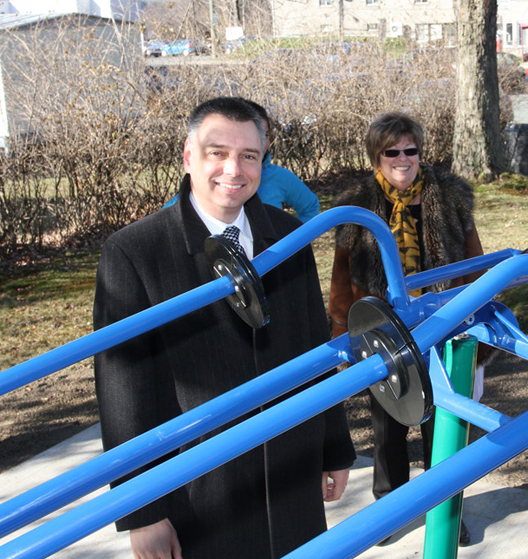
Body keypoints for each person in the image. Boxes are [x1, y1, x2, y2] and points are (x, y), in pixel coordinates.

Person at [93, 97, 355, 559]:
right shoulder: (136, 252)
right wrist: (142, 511)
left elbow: (316, 347)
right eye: (217, 152)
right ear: (188, 156)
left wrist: (333, 447)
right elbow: (124, 389)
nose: (233, 170)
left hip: (291, 468)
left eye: (249, 155)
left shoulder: (289, 236)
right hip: (201, 488)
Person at [328, 111, 485, 546]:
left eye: (409, 150)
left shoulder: (449, 197)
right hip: (383, 329)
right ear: (376, 157)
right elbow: (342, 278)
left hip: (442, 327)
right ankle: (389, 508)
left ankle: (446, 512)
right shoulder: (357, 206)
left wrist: (478, 315)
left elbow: (475, 262)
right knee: (388, 427)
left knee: (444, 426)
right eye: (390, 151)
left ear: (420, 152)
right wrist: (341, 330)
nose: (402, 158)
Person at [251, 100, 320, 223]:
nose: (261, 142)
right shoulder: (217, 179)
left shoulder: (278, 176)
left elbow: (310, 207)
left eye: (265, 135)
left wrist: (292, 240)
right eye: (253, 134)